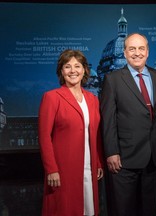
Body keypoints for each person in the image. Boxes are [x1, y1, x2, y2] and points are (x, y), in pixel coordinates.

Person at [100, 33, 156, 216]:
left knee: (148, 210)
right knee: (123, 210)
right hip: (124, 159)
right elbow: (108, 119)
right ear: (125, 53)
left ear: (147, 52)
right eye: (132, 49)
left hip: (154, 157)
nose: (137, 53)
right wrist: (111, 152)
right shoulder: (113, 79)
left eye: (141, 48)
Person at [38, 49, 104, 216]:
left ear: (84, 70)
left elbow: (94, 134)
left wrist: (98, 162)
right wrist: (51, 169)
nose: (73, 71)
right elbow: (45, 137)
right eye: (67, 66)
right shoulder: (52, 97)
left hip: (89, 167)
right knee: (65, 210)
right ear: (61, 71)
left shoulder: (93, 100)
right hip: (63, 169)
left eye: (77, 66)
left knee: (88, 210)